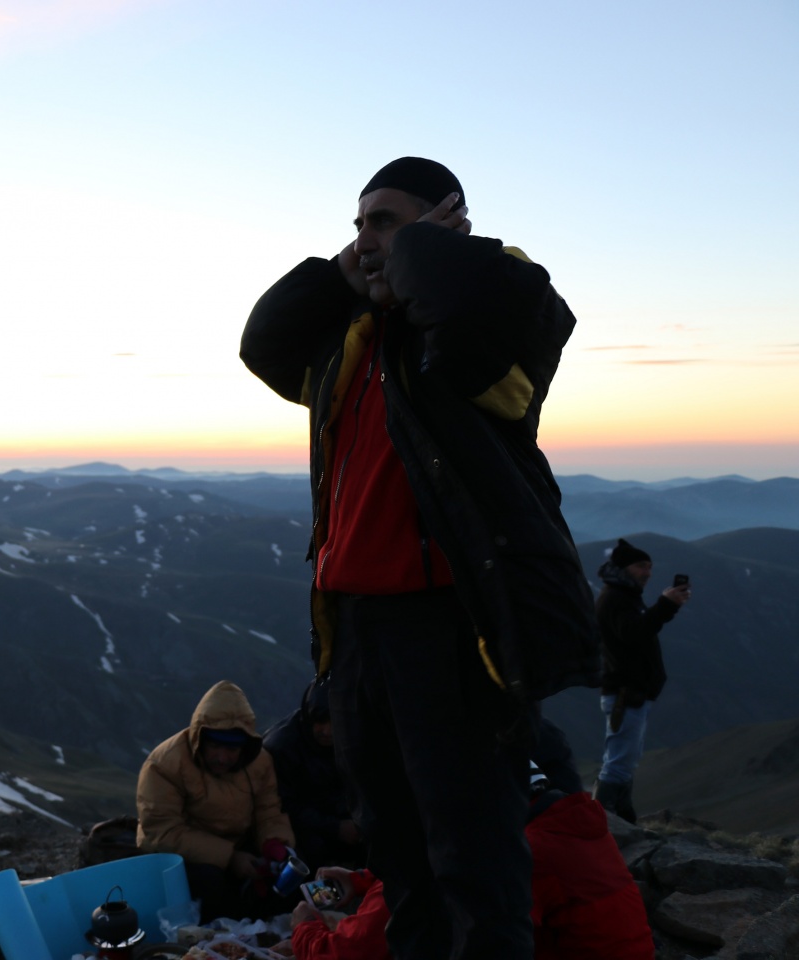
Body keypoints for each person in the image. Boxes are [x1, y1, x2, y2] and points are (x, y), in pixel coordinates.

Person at [240, 157, 599, 959]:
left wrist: (422, 253)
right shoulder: (351, 348)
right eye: (357, 224)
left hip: (448, 628)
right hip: (357, 636)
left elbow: (477, 313)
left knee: (473, 857)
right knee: (397, 852)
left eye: (386, 222)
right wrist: (348, 271)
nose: (366, 239)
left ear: (448, 222)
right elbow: (261, 343)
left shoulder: (488, 313)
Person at [286, 766, 654, 960]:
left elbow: (355, 952)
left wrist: (305, 931)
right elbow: (441, 872)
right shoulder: (559, 823)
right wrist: (365, 879)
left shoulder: (521, 855)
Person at [135, 679, 295, 922]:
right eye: (214, 746)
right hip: (181, 856)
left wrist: (275, 845)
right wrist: (229, 858)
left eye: (232, 749)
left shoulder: (259, 761)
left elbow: (269, 810)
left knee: (288, 876)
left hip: (237, 848)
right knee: (210, 881)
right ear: (200, 738)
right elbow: (162, 833)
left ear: (244, 746)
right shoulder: (164, 764)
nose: (222, 758)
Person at [595, 537, 691, 822]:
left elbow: (638, 631)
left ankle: (624, 819)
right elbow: (634, 634)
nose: (647, 572)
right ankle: (603, 821)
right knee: (618, 763)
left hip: (633, 693)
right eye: (641, 566)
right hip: (626, 693)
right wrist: (665, 605)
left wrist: (665, 606)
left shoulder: (623, 595)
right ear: (624, 568)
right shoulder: (615, 598)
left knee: (626, 760)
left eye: (649, 566)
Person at [262, 678, 364, 870]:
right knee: (312, 849)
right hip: (298, 828)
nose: (327, 731)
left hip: (334, 816)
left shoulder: (350, 738)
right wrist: (335, 828)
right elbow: (280, 806)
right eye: (320, 721)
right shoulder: (282, 748)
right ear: (309, 716)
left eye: (334, 723)